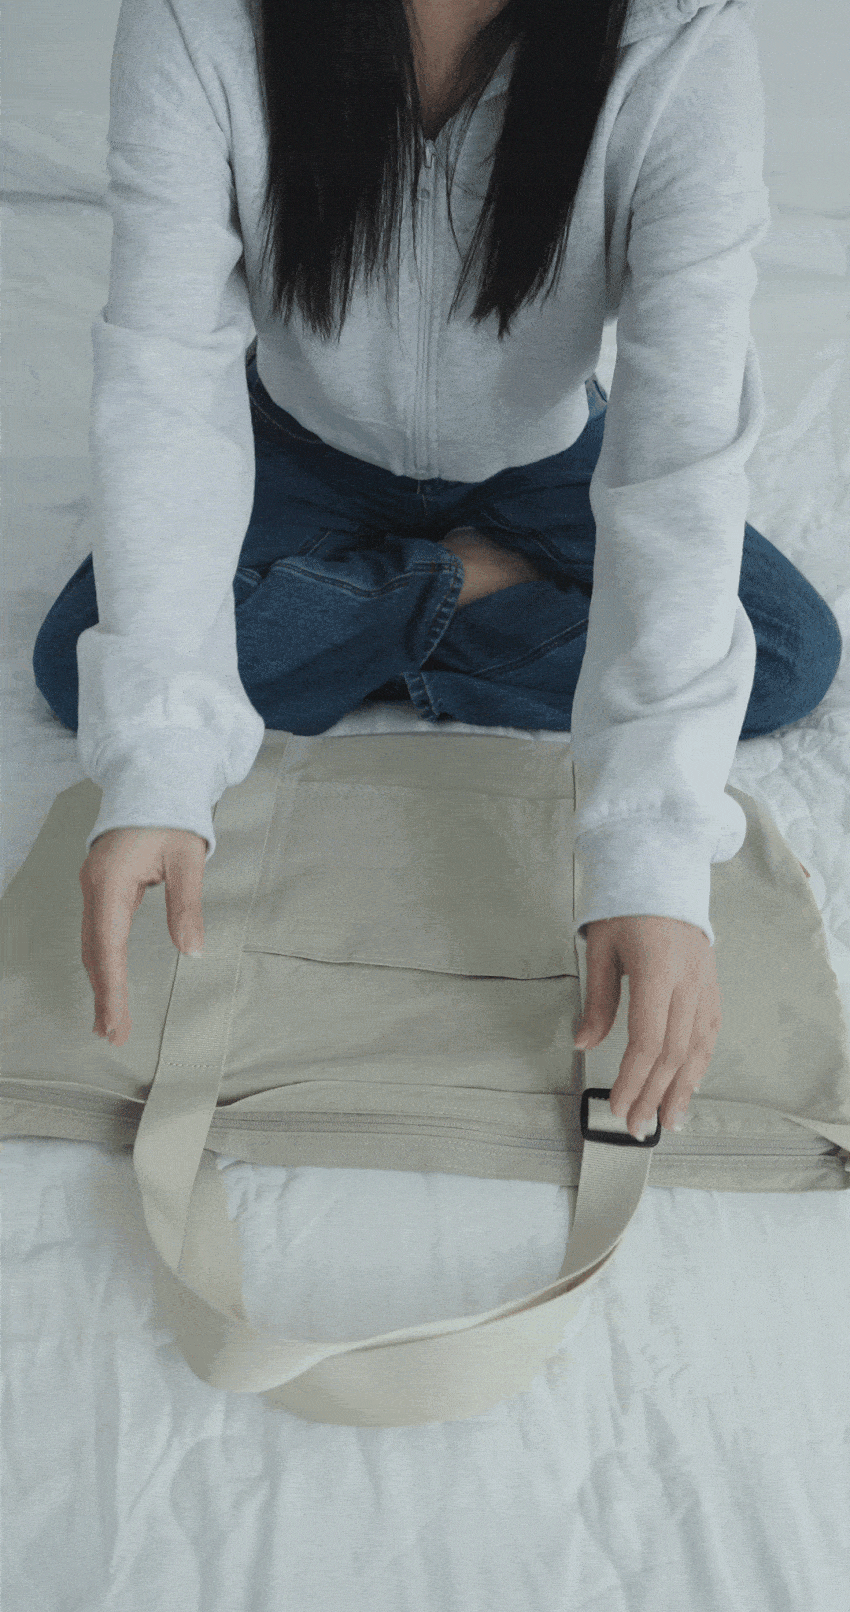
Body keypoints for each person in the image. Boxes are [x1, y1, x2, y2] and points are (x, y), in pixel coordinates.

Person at [32, 0, 842, 1139]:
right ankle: (453, 580)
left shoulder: (679, 44)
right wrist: (160, 769)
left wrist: (652, 861)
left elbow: (678, 457)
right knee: (87, 672)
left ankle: (367, 597)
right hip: (298, 448)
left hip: (543, 457)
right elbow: (166, 379)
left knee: (789, 651)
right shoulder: (197, 20)